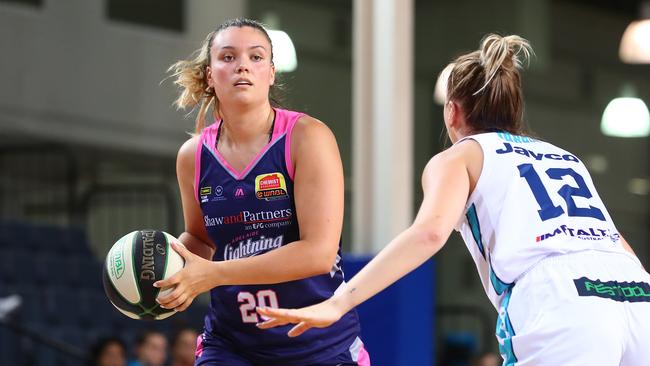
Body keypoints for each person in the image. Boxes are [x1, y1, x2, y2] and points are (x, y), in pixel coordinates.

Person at [257, 34, 650, 365]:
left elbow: (429, 234)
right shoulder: (566, 157)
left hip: (562, 298)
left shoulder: (460, 155)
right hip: (636, 291)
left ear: (451, 111)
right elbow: (618, 244)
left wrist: (338, 302)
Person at [155, 17, 369, 366]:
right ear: (210, 75)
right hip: (232, 343)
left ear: (271, 73)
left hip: (316, 343)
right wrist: (169, 269)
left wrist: (212, 274)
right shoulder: (192, 156)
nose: (242, 65)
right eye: (227, 57)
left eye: (255, 57)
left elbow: (318, 253)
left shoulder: (307, 137)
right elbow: (201, 240)